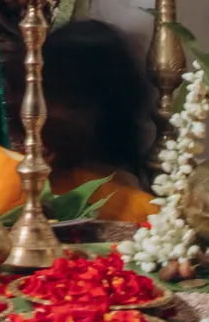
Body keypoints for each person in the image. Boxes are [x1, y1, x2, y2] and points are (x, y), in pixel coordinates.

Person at [40, 19, 155, 228]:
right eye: (47, 95)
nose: (55, 113)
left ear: (111, 111)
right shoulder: (29, 177)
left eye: (74, 103)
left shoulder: (129, 202)